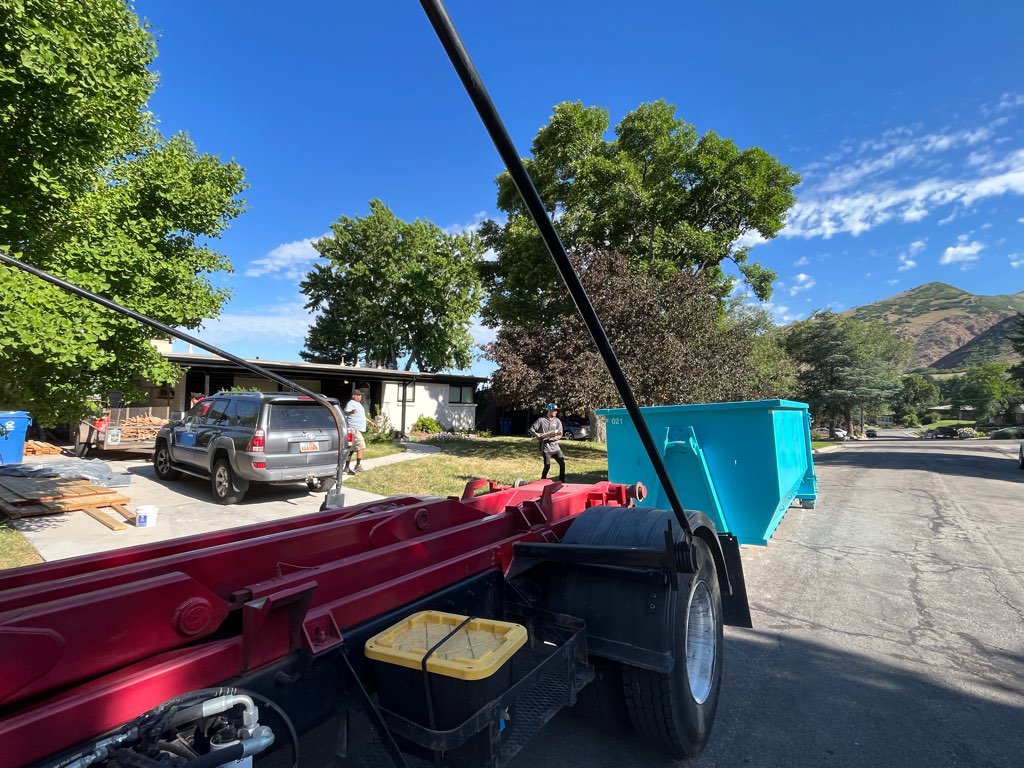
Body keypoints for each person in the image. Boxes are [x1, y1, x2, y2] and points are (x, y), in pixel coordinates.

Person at [528, 403, 565, 482]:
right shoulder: (541, 420)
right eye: (554, 410)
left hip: (555, 447)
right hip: (546, 448)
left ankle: (562, 481)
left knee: (562, 464)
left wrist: (553, 438)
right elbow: (531, 429)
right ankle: (542, 480)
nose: (556, 412)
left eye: (556, 411)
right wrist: (538, 435)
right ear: (549, 410)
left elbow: (560, 433)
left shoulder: (557, 421)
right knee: (547, 466)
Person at [343, 389, 376, 475]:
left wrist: (371, 422)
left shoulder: (359, 405)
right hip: (354, 429)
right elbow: (345, 413)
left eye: (360, 395)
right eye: (358, 395)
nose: (360, 397)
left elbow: (362, 416)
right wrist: (351, 412)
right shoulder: (351, 403)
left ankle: (346, 467)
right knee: (361, 445)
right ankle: (358, 465)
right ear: (353, 396)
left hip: (357, 429)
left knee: (352, 449)